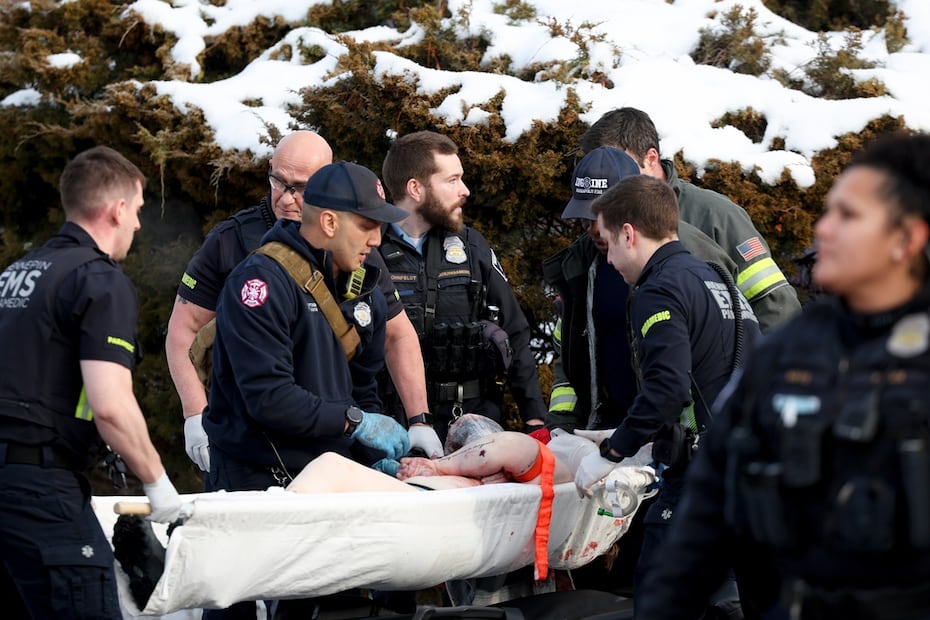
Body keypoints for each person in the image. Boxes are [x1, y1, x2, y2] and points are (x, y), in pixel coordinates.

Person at [636, 131, 930, 620]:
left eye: (849, 216)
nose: (825, 229)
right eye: (830, 211)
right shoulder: (787, 352)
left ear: (906, 239)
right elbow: (708, 513)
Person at [203, 161, 413, 619]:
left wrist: (370, 455)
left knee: (332, 608)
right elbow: (269, 399)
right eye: (368, 225)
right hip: (255, 479)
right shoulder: (258, 283)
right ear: (329, 221)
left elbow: (364, 384)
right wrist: (355, 423)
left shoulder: (364, 287)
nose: (377, 239)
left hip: (328, 481)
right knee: (232, 603)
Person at [166, 131, 442, 471]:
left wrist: (413, 423)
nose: (286, 197)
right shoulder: (238, 249)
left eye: (301, 187)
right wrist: (194, 413)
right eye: (278, 181)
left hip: (327, 461)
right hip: (264, 465)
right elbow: (186, 333)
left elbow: (387, 345)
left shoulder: (360, 258)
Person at [0, 146, 184, 618]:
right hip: (40, 489)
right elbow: (110, 405)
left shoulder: (16, 275)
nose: (140, 225)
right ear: (117, 209)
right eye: (139, 211)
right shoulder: (98, 280)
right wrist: (158, 484)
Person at [572, 174, 762, 605]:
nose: (611, 262)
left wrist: (613, 452)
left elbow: (668, 388)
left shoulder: (658, 289)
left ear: (628, 233)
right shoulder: (716, 278)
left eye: (608, 243)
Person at [543, 147, 739, 434]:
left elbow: (723, 352)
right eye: (585, 218)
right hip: (607, 432)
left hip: (676, 440)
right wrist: (562, 423)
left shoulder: (688, 260)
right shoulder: (580, 267)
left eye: (601, 217)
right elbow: (569, 352)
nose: (593, 230)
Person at [378, 130, 547, 442]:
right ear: (415, 188)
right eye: (452, 180)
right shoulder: (371, 251)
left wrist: (534, 418)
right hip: (394, 428)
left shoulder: (471, 246)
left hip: (472, 424)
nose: (465, 190)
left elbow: (515, 332)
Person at [579, 107, 801, 333]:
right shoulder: (597, 225)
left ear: (651, 158)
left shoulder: (714, 215)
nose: (607, 178)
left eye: (617, 164)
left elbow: (777, 309)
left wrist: (752, 368)